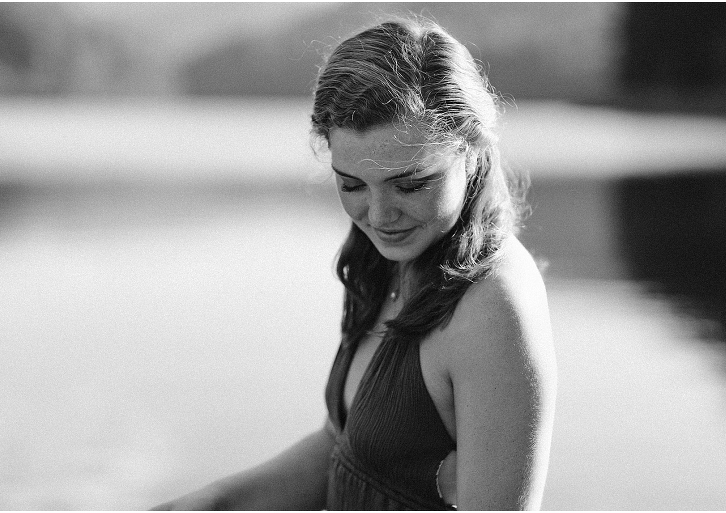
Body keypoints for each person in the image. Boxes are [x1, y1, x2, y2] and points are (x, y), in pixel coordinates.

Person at [153, 16, 556, 511]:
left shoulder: (492, 307)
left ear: (471, 148)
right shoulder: (392, 254)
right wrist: (212, 503)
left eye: (410, 185)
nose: (381, 216)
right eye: (351, 185)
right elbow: (346, 449)